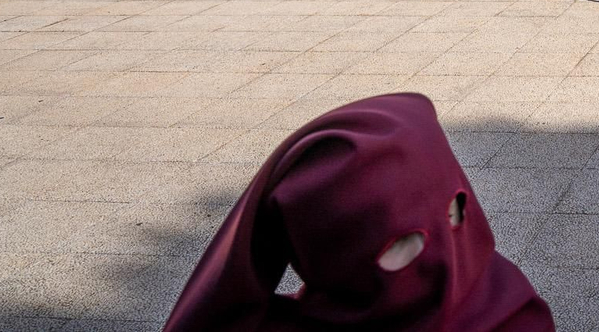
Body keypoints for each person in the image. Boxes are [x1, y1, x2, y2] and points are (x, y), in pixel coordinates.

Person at [162, 92, 555, 332]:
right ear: (333, 261)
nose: (445, 260)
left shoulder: (512, 310)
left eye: (454, 209)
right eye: (404, 240)